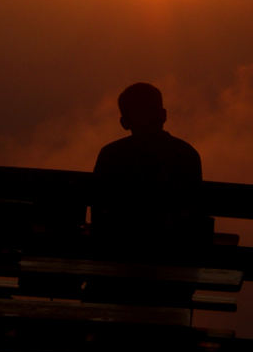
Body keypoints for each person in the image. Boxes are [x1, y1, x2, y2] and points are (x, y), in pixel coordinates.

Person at [86, 83, 207, 305]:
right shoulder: (186, 155)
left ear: (124, 122)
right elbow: (194, 220)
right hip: (173, 278)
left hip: (114, 275)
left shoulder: (110, 155)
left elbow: (100, 219)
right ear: (163, 115)